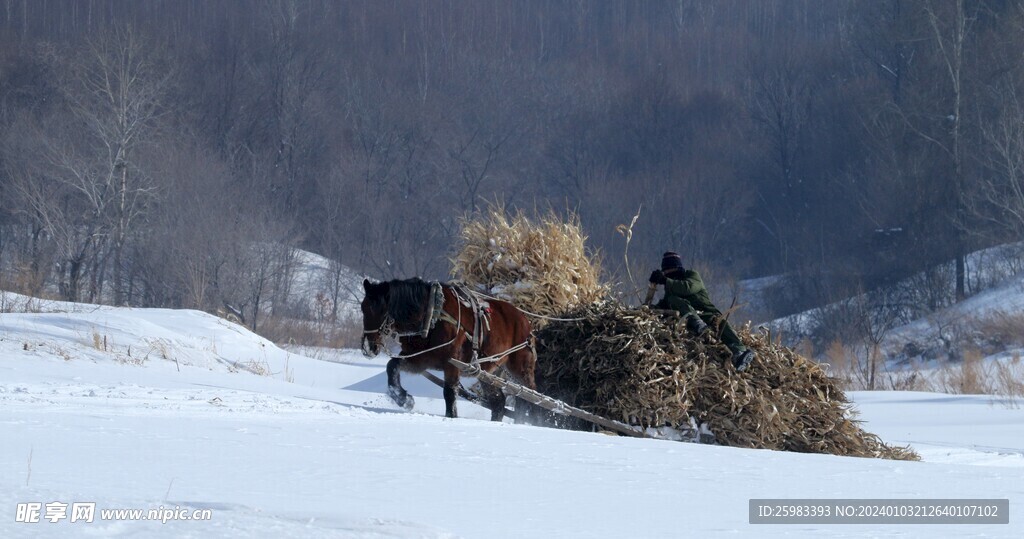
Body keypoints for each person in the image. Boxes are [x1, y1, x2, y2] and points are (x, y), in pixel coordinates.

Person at [649, 251, 755, 372]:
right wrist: (646, 310)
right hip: (687, 319)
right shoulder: (671, 290)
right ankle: (697, 323)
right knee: (672, 299)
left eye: (669, 271)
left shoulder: (692, 276)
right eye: (666, 272)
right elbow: (665, 304)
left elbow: (687, 288)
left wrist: (666, 281)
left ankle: (739, 352)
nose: (668, 274)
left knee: (720, 323)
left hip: (706, 313)